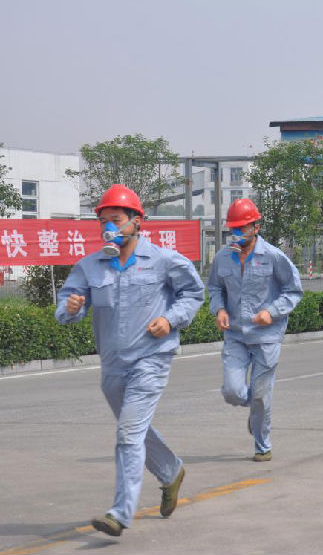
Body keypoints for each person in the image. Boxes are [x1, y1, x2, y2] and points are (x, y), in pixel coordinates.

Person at [55, 184, 204, 537]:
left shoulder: (164, 260)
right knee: (134, 430)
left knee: (128, 434)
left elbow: (193, 293)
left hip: (150, 360)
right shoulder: (90, 266)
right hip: (113, 365)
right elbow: (65, 307)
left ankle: (120, 513)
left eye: (116, 219)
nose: (109, 227)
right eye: (103, 221)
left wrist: (170, 319)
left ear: (137, 221)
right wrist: (71, 308)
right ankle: (171, 472)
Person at [207, 199, 303, 461]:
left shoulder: (273, 256)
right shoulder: (222, 258)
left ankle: (262, 446)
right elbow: (214, 287)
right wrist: (220, 309)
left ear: (256, 228)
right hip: (236, 334)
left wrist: (271, 312)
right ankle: (255, 411)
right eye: (233, 228)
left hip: (266, 337)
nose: (236, 233)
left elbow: (293, 291)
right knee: (232, 392)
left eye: (242, 228)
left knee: (260, 395)